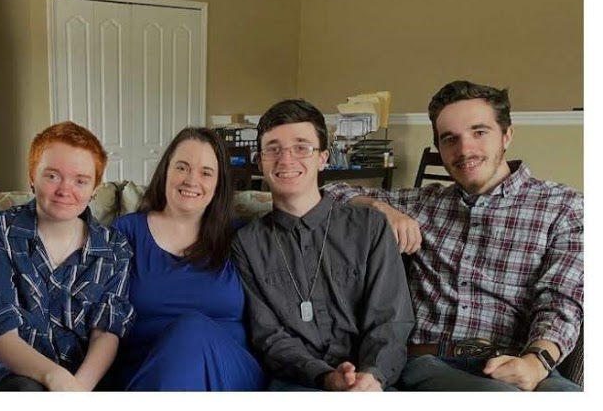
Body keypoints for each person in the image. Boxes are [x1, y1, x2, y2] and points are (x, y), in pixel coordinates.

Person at [324, 80, 583, 392]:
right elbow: (328, 193)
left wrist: (536, 361)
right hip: (428, 363)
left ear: (507, 135)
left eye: (479, 132)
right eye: (450, 139)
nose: (464, 150)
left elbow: (561, 299)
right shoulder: (423, 203)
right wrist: (379, 208)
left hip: (515, 362)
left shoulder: (565, 207)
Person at [231, 99, 413, 391]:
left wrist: (373, 375)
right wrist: (325, 377)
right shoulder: (246, 243)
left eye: (301, 147)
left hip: (372, 382)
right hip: (296, 382)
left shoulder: (370, 227)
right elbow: (268, 335)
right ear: (260, 161)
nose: (286, 160)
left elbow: (390, 319)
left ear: (323, 158)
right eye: (273, 149)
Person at [0, 122, 134, 391]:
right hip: (20, 373)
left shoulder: (114, 246)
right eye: (52, 176)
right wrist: (55, 378)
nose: (65, 190)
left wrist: (78, 389)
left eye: (80, 180)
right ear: (32, 175)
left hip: (88, 376)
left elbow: (107, 331)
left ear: (96, 187)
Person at [112, 127, 263, 390]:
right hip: (144, 369)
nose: (192, 180)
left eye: (206, 172)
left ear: (218, 184)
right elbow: (103, 317)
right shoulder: (125, 233)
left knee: (191, 329)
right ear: (166, 171)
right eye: (182, 167)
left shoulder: (241, 238)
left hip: (227, 372)